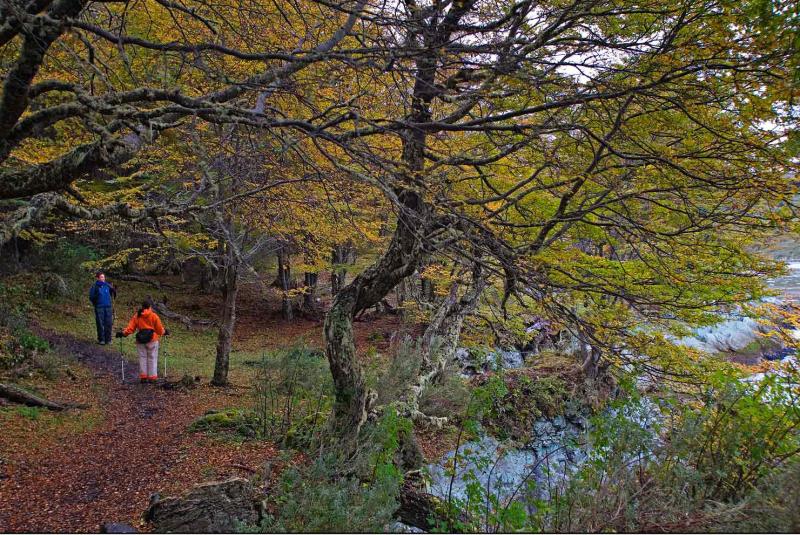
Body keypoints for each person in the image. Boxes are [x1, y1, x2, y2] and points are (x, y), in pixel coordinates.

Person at [116, 300, 169, 383]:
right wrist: (164, 332)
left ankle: (143, 377)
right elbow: (159, 330)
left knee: (142, 358)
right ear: (150, 307)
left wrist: (123, 333)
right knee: (152, 358)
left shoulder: (137, 315)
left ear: (142, 307)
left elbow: (130, 328)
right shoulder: (154, 316)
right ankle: (152, 377)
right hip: (152, 340)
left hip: (140, 340)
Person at [88, 271, 117, 345]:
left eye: (103, 277)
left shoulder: (107, 285)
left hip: (108, 307)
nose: (103, 278)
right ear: (97, 278)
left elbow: (113, 293)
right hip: (99, 307)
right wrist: (96, 302)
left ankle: (108, 339)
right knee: (100, 323)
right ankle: (101, 339)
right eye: (101, 277)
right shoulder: (95, 286)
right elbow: (91, 297)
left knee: (108, 323)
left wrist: (114, 290)